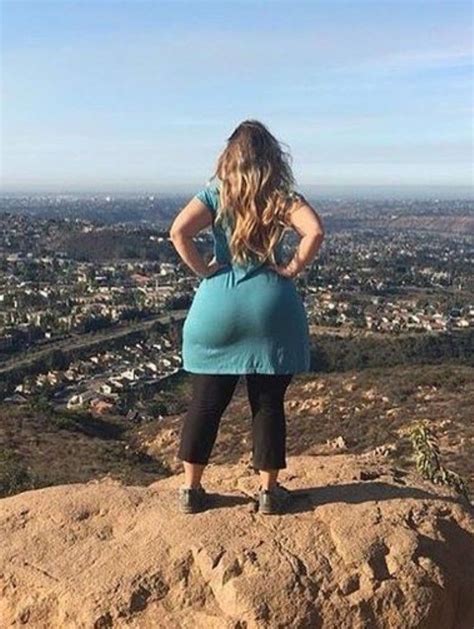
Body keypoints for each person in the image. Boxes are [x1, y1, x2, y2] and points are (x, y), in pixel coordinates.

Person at [169, 119, 325, 514]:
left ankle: (191, 490)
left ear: (229, 157)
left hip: (219, 305)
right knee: (268, 401)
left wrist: (206, 271)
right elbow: (315, 232)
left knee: (205, 401)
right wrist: (291, 268)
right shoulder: (281, 196)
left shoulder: (216, 193)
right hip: (271, 306)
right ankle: (269, 493)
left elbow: (178, 233)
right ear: (273, 158)